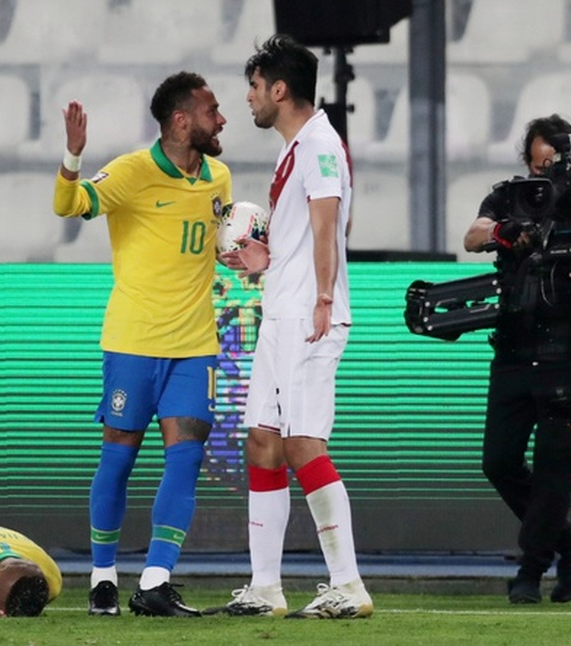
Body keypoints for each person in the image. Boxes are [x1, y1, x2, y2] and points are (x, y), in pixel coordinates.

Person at [52, 71, 231, 617]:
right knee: (119, 459)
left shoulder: (219, 177)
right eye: (211, 111)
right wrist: (73, 155)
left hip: (195, 343)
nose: (221, 119)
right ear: (181, 121)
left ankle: (154, 581)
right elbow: (67, 205)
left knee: (186, 457)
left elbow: (219, 245)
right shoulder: (130, 172)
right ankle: (103, 576)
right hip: (133, 342)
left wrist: (245, 251)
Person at [211, 35, 372, 619]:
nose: (249, 98)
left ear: (279, 89)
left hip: (309, 315)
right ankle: (265, 587)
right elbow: (302, 236)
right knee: (263, 441)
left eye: (254, 87)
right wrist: (264, 260)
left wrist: (324, 296)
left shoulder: (321, 144)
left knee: (304, 443)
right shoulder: (295, 148)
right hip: (283, 312)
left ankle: (348, 584)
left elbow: (327, 221)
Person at [462, 114, 571, 604]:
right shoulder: (509, 197)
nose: (551, 176)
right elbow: (472, 236)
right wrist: (505, 231)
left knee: (554, 469)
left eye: (558, 165)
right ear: (526, 163)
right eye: (541, 166)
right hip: (516, 350)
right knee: (498, 461)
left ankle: (531, 572)